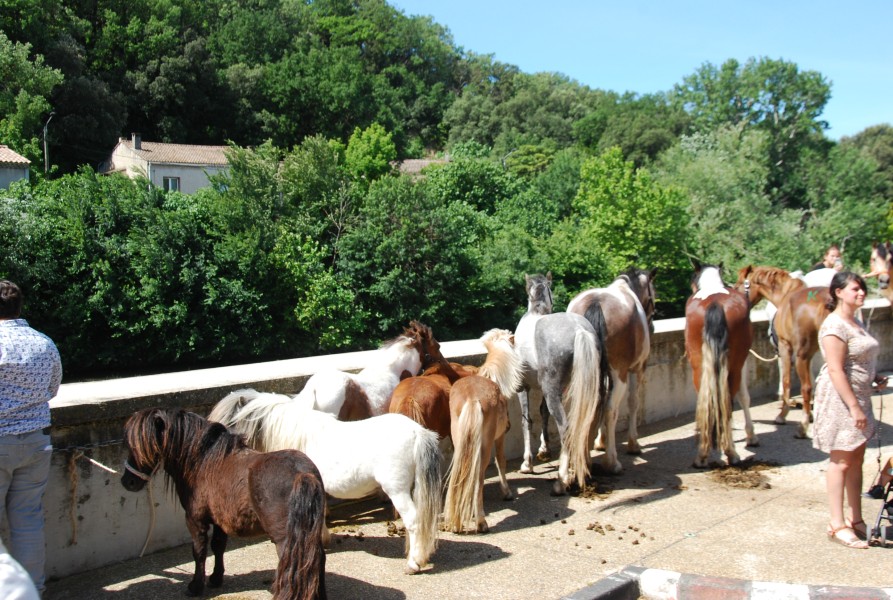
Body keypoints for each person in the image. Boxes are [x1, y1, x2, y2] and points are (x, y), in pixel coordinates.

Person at [811, 271, 887, 549]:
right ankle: (836, 523)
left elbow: (857, 359)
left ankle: (856, 519)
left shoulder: (856, 322)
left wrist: (874, 377)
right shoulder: (834, 325)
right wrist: (854, 407)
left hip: (860, 396)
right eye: (855, 288)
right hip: (841, 400)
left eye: (862, 288)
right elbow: (835, 369)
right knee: (841, 461)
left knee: (856, 460)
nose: (861, 292)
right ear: (838, 292)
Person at [0, 281, 62, 594]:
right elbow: (52, 389)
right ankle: (31, 590)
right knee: (28, 521)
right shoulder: (44, 343)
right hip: (37, 442)